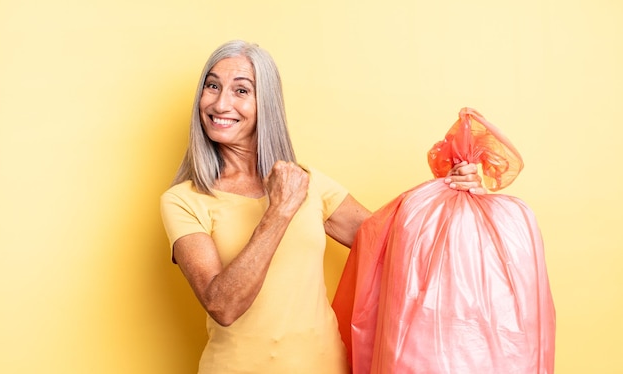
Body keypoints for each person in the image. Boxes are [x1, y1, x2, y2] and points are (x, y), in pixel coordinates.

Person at [160, 40, 484, 374]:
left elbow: (399, 248)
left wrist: (454, 190)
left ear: (265, 104)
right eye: (212, 86)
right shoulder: (183, 200)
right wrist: (280, 210)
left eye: (241, 91)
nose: (221, 102)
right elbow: (222, 305)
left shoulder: (309, 183)